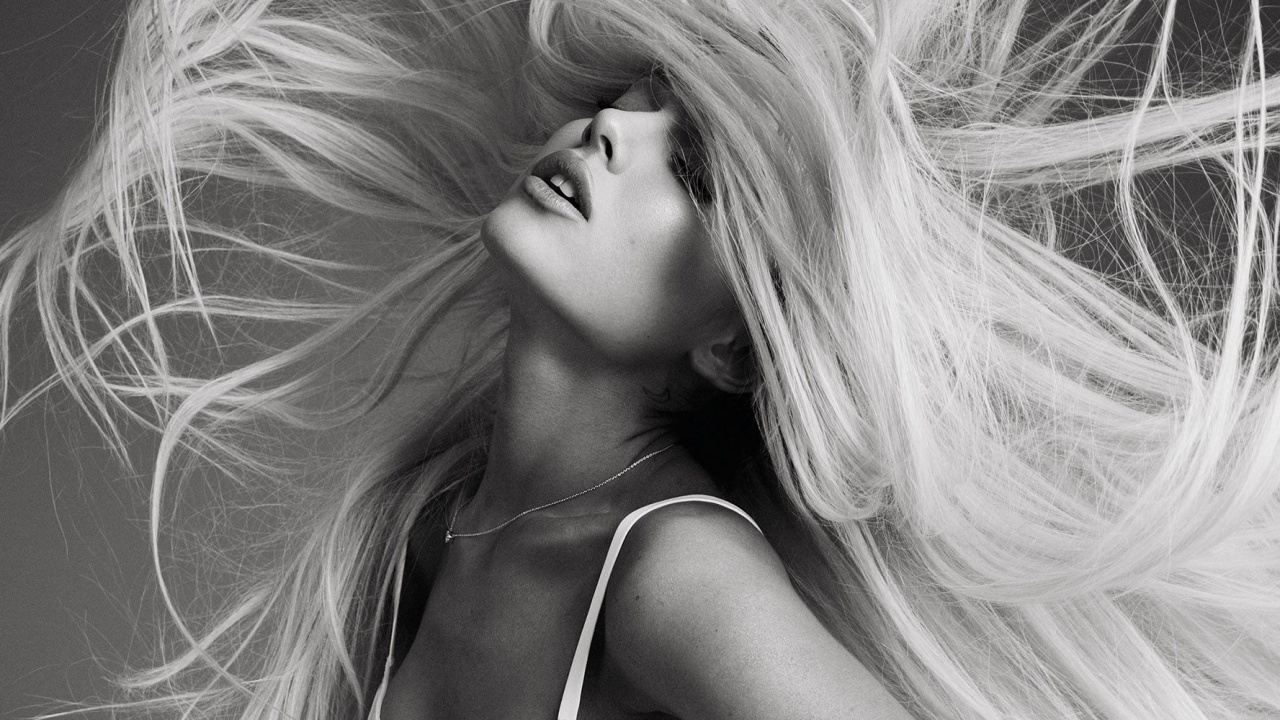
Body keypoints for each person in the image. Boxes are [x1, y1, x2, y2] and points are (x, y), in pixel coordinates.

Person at [3, 0, 1280, 718]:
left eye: (694, 172)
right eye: (632, 104)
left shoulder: (669, 567)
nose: (612, 134)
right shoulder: (433, 519)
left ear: (730, 343)